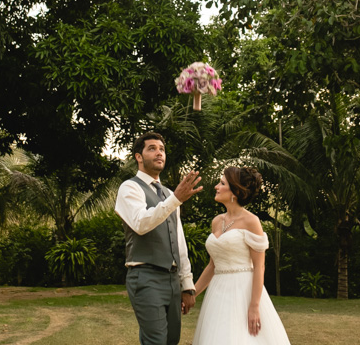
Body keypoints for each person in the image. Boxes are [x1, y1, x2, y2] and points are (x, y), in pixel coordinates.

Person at [115, 132, 203, 345]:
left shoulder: (170, 194)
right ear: (139, 156)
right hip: (145, 277)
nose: (159, 153)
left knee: (172, 340)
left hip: (172, 280)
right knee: (156, 341)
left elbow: (179, 240)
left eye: (162, 149)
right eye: (152, 148)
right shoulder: (130, 187)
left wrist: (187, 285)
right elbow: (140, 224)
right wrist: (174, 200)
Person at [191, 166, 291, 345]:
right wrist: (192, 294)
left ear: (235, 192)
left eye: (222, 183)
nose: (216, 186)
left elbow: (259, 266)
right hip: (217, 292)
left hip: (243, 291)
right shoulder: (216, 222)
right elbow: (212, 266)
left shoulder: (251, 221)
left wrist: (254, 307)